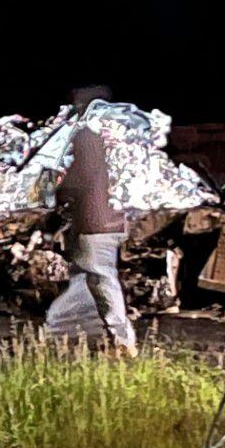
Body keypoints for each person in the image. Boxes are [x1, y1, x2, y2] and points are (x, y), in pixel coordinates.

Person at [44, 93, 138, 355]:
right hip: (113, 220)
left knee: (100, 279)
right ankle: (59, 331)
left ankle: (123, 341)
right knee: (87, 279)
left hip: (94, 221)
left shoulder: (87, 136)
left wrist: (54, 193)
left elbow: (78, 178)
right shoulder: (115, 136)